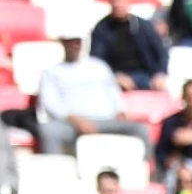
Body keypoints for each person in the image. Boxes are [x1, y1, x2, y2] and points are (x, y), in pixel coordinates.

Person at [37, 30, 151, 158]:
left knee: (141, 129)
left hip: (107, 120)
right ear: (63, 42)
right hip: (71, 124)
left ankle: (149, 171)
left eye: (77, 41)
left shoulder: (99, 66)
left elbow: (113, 93)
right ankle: (54, 171)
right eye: (70, 41)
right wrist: (77, 121)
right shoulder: (51, 72)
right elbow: (51, 104)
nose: (74, 45)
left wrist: (120, 111)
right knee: (49, 131)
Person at [90, 0, 169, 92]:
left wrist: (160, 74)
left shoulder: (143, 26)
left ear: (128, 1)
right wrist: (116, 76)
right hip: (115, 77)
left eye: (121, 0)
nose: (118, 4)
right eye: (115, 1)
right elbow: (97, 60)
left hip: (146, 75)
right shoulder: (101, 29)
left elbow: (161, 52)